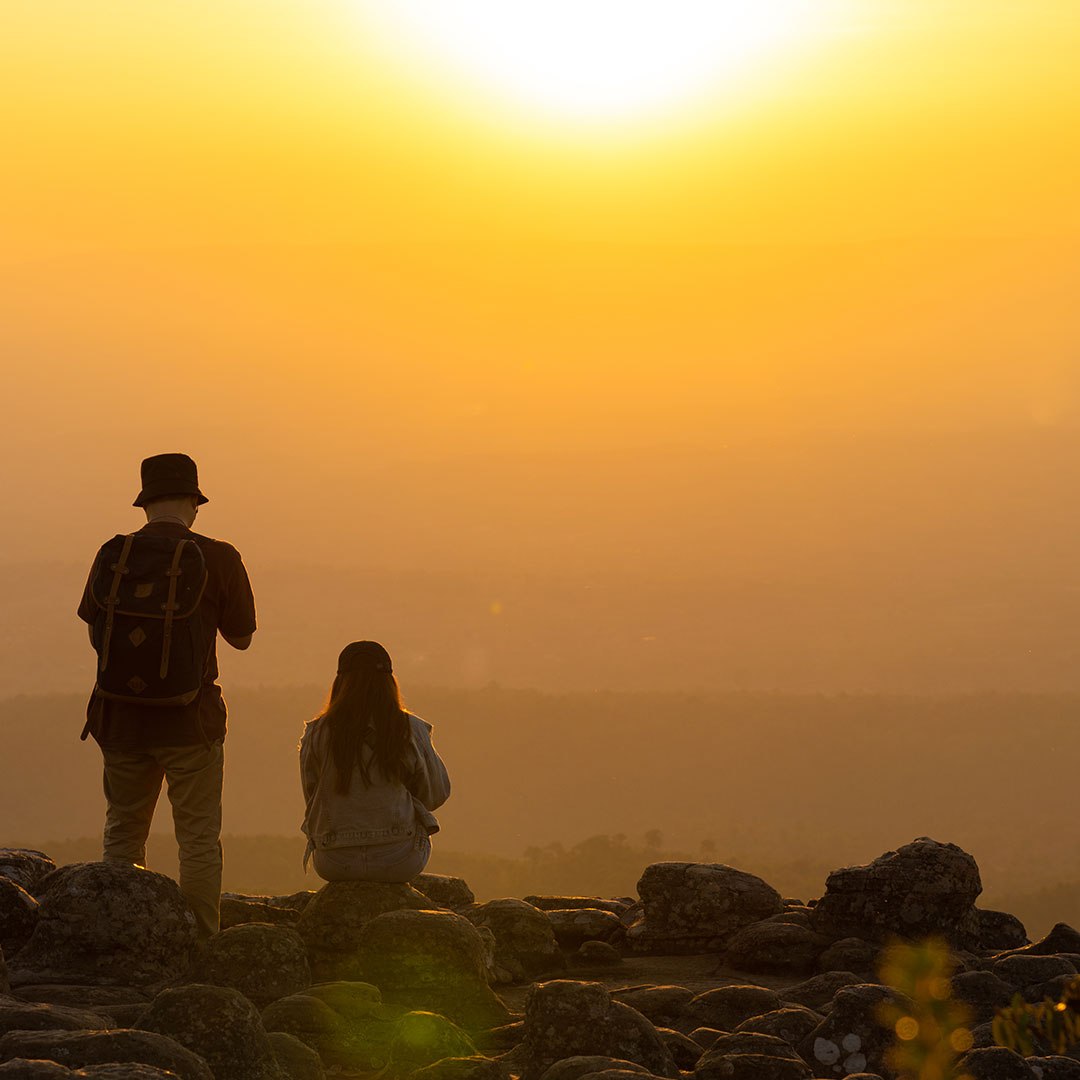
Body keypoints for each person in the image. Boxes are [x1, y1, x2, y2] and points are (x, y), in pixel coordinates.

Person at [77, 452, 256, 939]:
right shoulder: (218, 556)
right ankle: (200, 945)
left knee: (123, 829)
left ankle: (117, 937)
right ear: (192, 502)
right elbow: (241, 638)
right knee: (197, 837)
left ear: (146, 503)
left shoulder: (114, 553)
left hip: (120, 719)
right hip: (189, 722)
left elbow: (94, 623)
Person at [300, 640, 450, 882]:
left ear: (340, 682)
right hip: (400, 859)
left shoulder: (317, 732)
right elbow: (436, 793)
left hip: (335, 862)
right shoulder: (409, 729)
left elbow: (312, 795)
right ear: (389, 683)